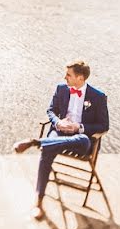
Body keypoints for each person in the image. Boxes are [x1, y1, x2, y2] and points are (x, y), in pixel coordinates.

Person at [13, 60, 109, 220]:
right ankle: (38, 202)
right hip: (59, 132)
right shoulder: (61, 89)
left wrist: (79, 127)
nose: (65, 77)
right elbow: (50, 110)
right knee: (47, 151)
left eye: (68, 75)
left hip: (80, 138)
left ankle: (36, 142)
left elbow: (104, 125)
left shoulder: (98, 97)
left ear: (80, 77)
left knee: (84, 141)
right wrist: (58, 122)